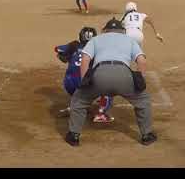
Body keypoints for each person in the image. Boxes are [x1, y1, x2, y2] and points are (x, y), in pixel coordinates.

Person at [65, 17, 157, 147]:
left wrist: (85, 81)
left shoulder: (96, 39)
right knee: (143, 100)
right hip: (123, 75)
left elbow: (85, 59)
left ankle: (74, 135)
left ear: (105, 31)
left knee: (79, 100)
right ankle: (147, 135)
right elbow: (141, 61)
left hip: (99, 75)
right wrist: (140, 79)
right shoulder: (130, 40)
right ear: (122, 31)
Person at [54, 27, 114, 123]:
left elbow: (57, 49)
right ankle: (100, 114)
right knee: (108, 90)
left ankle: (75, 106)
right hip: (85, 83)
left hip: (69, 84)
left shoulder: (74, 45)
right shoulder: (97, 48)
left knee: (76, 79)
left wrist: (65, 55)